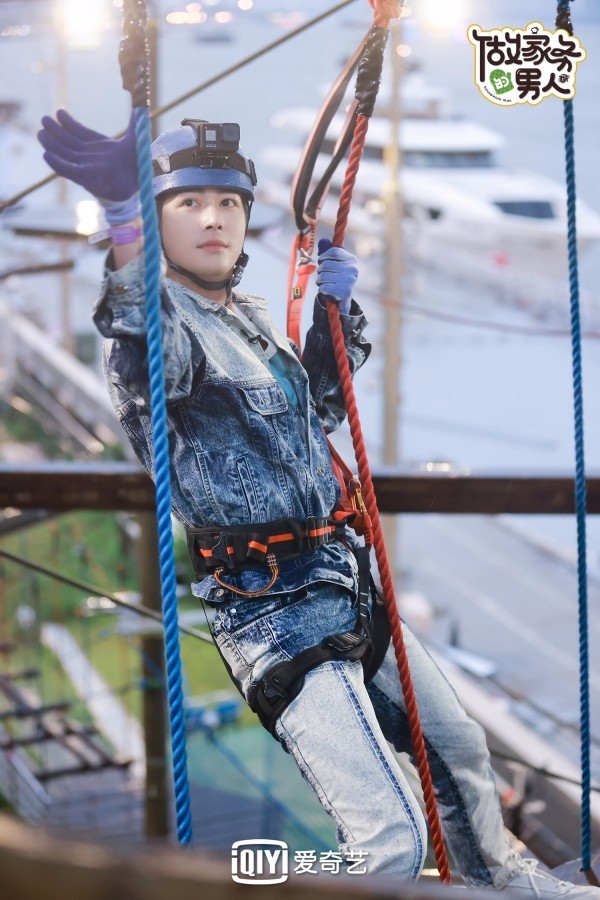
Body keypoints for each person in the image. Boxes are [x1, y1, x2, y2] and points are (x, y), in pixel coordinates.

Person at [38, 108, 599, 898]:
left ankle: (512, 887)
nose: (213, 219)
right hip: (272, 608)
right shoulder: (166, 328)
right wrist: (123, 225)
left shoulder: (245, 321)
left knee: (460, 752)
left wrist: (336, 321)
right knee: (391, 841)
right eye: (188, 203)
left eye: (229, 204)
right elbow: (139, 340)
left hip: (342, 580)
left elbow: (310, 424)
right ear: (157, 220)